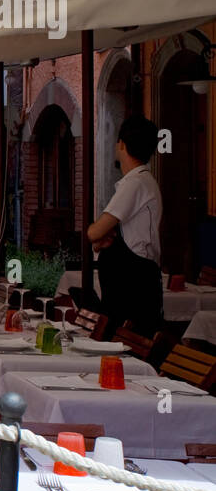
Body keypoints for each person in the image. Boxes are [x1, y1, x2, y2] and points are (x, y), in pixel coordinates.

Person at [86, 115, 163, 337]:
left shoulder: (136, 183)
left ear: (121, 144)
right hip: (132, 283)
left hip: (134, 287)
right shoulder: (140, 182)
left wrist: (100, 235)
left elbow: (94, 231)